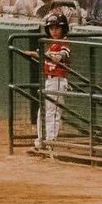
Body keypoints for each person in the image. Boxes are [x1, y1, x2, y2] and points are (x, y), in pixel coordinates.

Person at [34, 12, 70, 149]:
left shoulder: (64, 41)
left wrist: (56, 56)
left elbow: (63, 54)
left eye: (57, 28)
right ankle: (41, 141)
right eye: (51, 28)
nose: (54, 31)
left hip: (58, 81)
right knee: (42, 112)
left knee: (53, 112)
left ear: (63, 28)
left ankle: (50, 142)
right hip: (49, 80)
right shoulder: (52, 44)